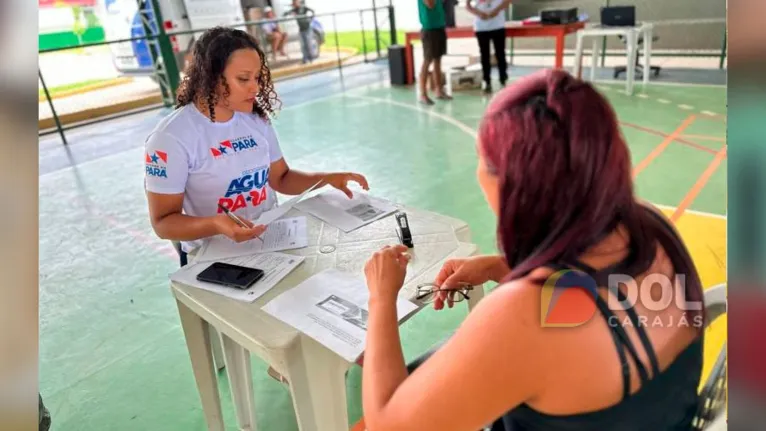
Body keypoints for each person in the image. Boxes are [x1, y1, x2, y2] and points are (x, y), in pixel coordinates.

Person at [360, 69, 706, 430]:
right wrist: (500, 267)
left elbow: (387, 424)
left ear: (515, 186)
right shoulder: (650, 224)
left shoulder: (523, 316)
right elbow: (591, 311)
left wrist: (381, 297)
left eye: (482, 160)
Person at [144, 26, 368, 268]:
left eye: (257, 78)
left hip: (270, 241)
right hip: (212, 257)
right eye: (243, 79)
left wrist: (327, 178)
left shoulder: (254, 119)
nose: (256, 88)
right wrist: (217, 224)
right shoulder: (170, 138)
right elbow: (163, 222)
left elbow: (281, 178)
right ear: (210, 76)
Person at [466, 0, 511, 94]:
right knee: (484, 55)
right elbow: (468, 5)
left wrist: (496, 10)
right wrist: (479, 13)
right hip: (481, 27)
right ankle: (487, 81)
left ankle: (503, 79)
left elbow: (508, 1)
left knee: (500, 53)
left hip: (497, 25)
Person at [418, 0, 453, 105]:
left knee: (437, 59)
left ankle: (439, 90)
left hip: (439, 27)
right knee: (427, 60)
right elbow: (430, 4)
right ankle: (423, 94)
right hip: (429, 29)